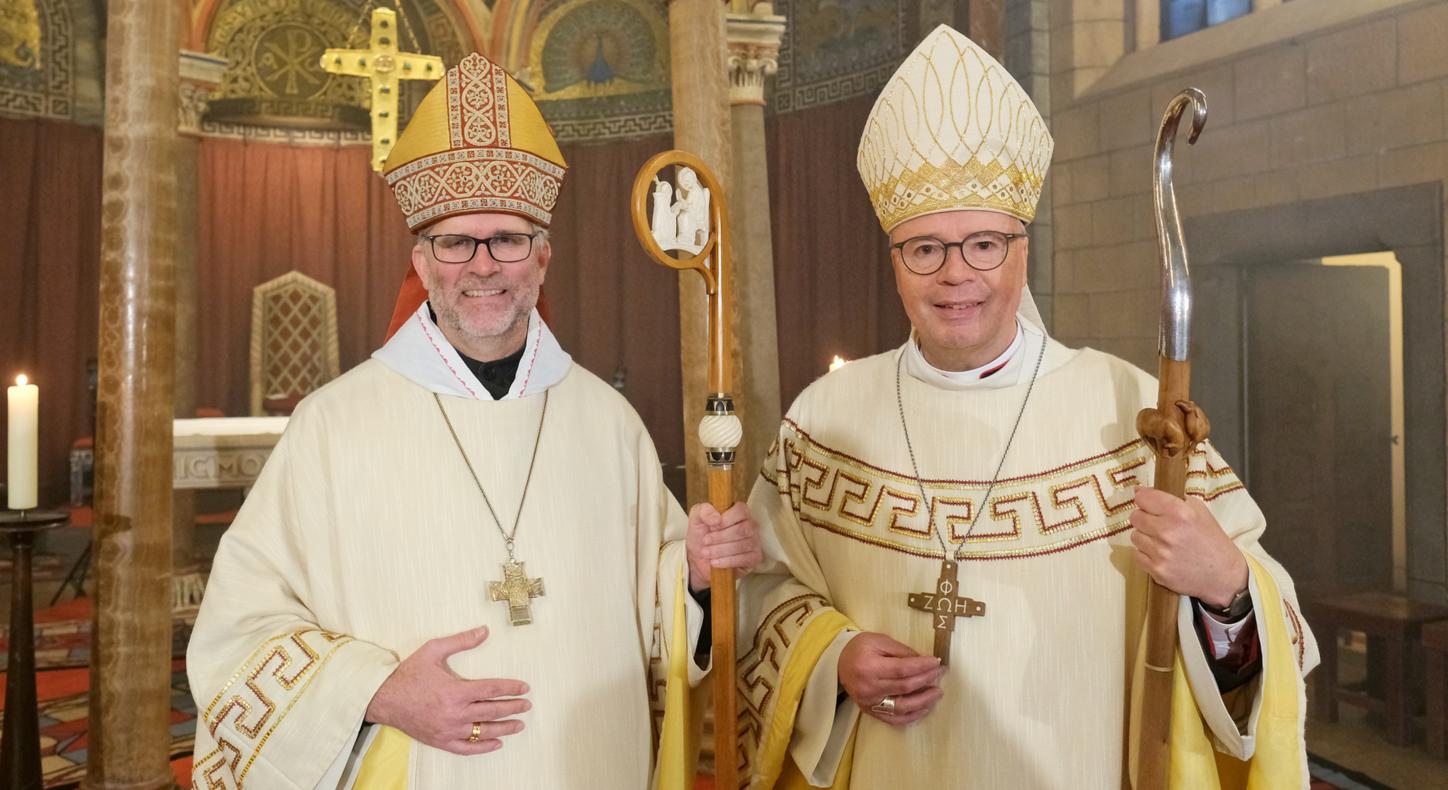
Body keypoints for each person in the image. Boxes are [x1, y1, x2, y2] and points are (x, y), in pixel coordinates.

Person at [736, 26, 1317, 789]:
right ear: (894, 260)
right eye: (925, 248)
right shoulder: (824, 421)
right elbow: (756, 593)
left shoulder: (1135, 415)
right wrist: (831, 658)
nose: (955, 276)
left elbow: (1277, 638)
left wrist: (1227, 587)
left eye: (982, 243)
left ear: (1023, 251)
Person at [187, 52, 760, 789]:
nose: (483, 265)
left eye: (509, 240)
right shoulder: (331, 428)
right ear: (422, 263)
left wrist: (698, 576)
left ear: (543, 258)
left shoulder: (608, 423)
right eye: (456, 242)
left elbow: (658, 615)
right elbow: (239, 631)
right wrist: (376, 690)